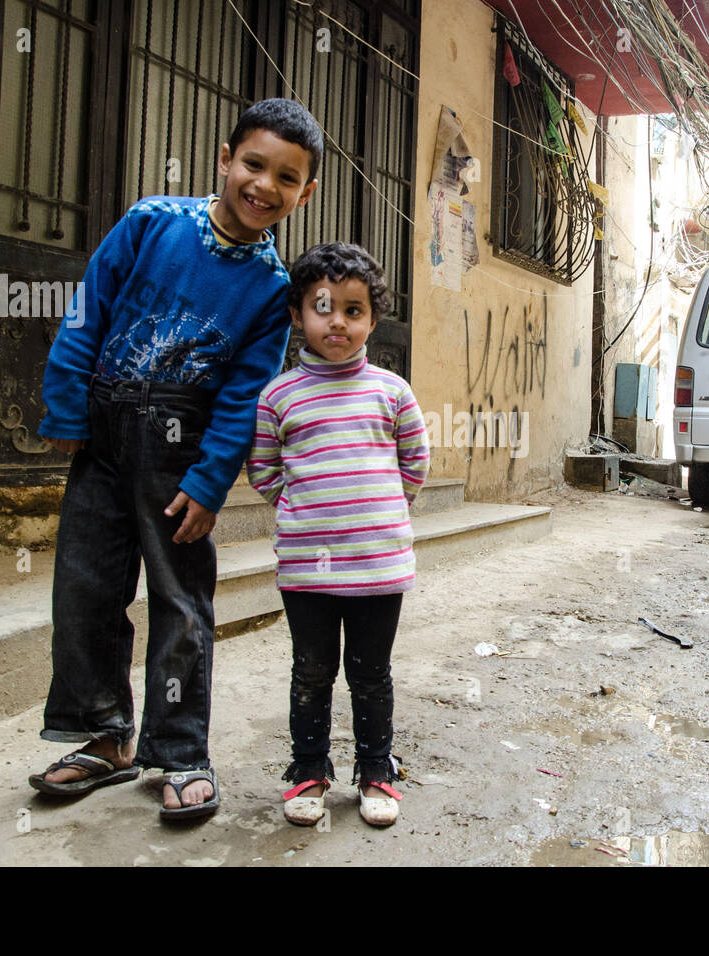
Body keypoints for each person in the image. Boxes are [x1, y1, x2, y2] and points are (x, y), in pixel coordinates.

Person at [27, 98, 322, 821]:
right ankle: (102, 737)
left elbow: (243, 396)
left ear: (304, 194)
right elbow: (87, 311)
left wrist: (211, 480)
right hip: (102, 435)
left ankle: (181, 749)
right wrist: (68, 410)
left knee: (180, 605)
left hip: (180, 453)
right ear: (224, 158)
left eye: (286, 179)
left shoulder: (270, 290)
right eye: (254, 165)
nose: (264, 187)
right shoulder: (151, 221)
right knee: (86, 592)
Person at [247, 242, 429, 828]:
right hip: (306, 570)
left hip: (378, 566)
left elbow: (414, 462)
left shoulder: (392, 391)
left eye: (354, 310)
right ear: (299, 313)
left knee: (371, 673)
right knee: (312, 671)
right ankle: (308, 771)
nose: (338, 321)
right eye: (323, 306)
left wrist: (378, 514)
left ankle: (376, 770)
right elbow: (265, 470)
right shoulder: (278, 396)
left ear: (372, 320)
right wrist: (304, 511)